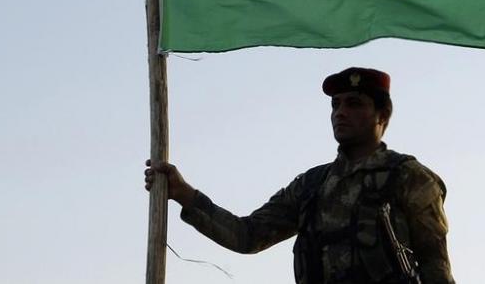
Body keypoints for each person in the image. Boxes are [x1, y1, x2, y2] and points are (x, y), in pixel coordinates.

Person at [145, 67, 455, 283]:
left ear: (382, 116)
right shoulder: (311, 186)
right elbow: (247, 235)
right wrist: (184, 194)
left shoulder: (410, 178)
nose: (340, 112)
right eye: (336, 104)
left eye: (354, 103)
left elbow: (435, 266)